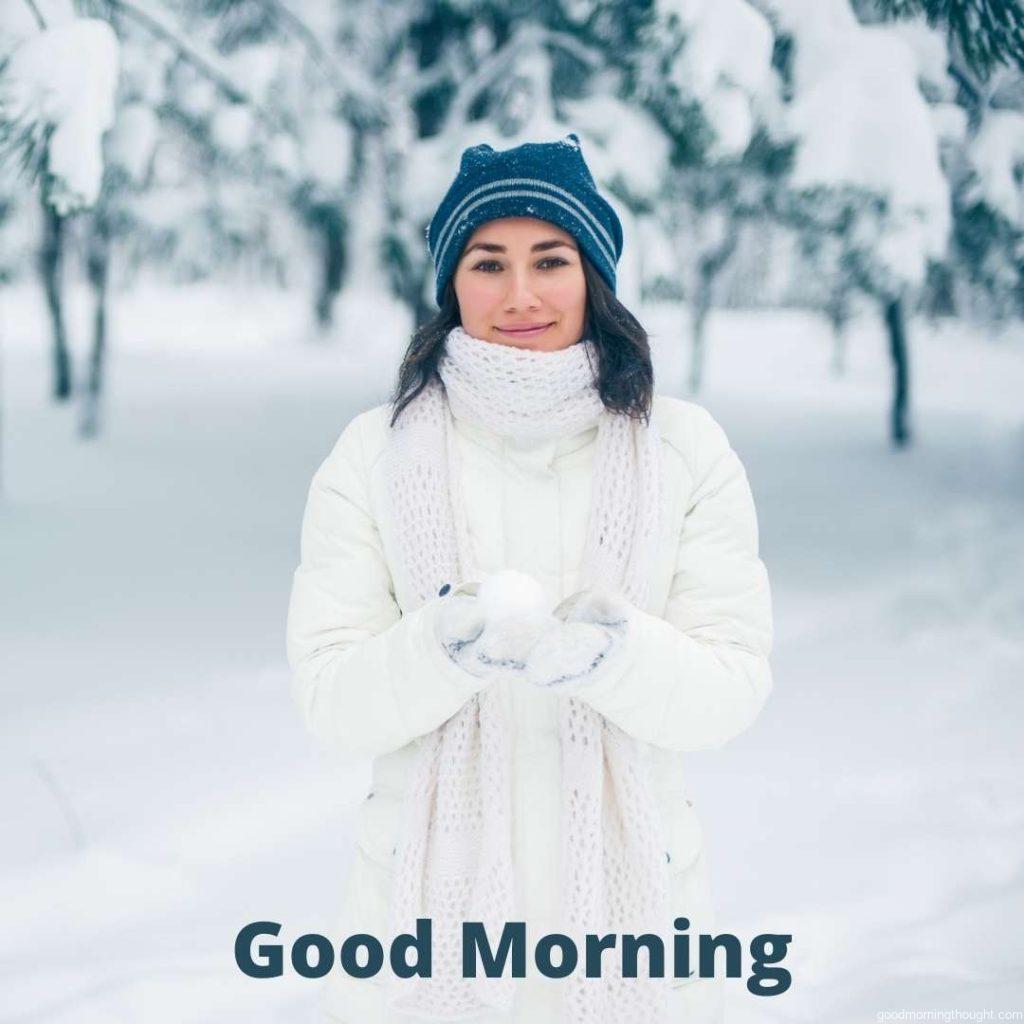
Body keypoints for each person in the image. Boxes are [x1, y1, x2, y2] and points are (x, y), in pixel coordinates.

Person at [285, 132, 774, 1024]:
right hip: (424, 920)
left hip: (640, 926)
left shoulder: (684, 449)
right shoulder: (374, 455)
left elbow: (729, 691)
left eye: (550, 259)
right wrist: (443, 646)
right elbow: (329, 701)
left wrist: (616, 655)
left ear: (593, 272)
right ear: (450, 283)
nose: (519, 295)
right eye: (487, 263)